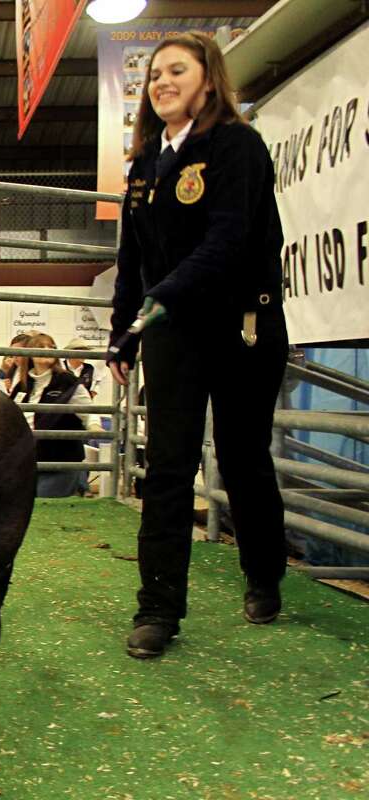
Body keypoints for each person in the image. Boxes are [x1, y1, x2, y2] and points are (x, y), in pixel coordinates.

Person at [106, 32, 289, 660]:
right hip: (171, 331)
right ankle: (157, 609)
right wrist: (121, 334)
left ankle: (264, 575)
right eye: (154, 75)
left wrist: (167, 294)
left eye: (175, 71)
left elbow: (230, 238)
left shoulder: (238, 147)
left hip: (242, 326)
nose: (161, 82)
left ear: (208, 79)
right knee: (167, 468)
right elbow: (132, 261)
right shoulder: (145, 166)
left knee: (242, 458)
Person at [9, 333, 92, 498]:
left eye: (51, 347)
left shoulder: (67, 381)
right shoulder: (23, 384)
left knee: (45, 505)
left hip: (59, 459)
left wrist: (94, 426)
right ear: (30, 354)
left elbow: (89, 411)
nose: (48, 351)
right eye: (41, 347)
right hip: (28, 460)